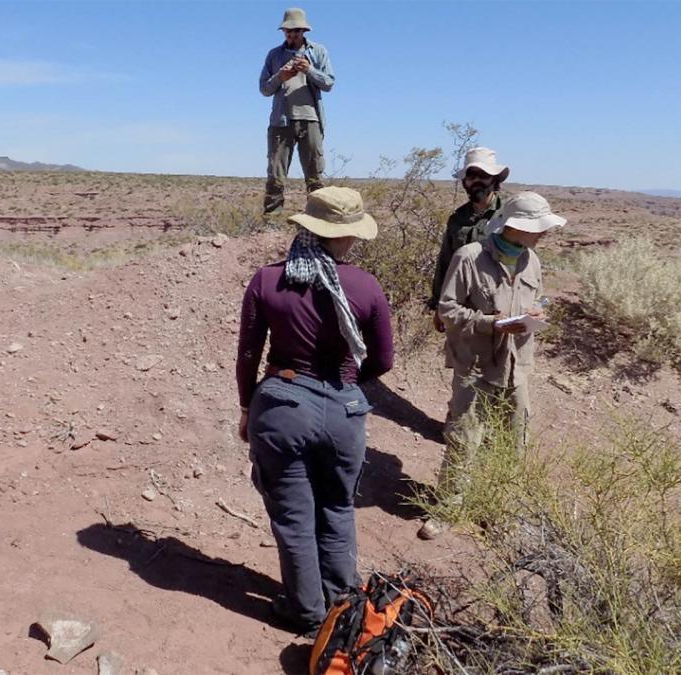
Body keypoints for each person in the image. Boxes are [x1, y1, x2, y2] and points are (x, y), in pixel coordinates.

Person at [236, 186, 393, 635]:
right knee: (338, 508)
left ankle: (305, 612)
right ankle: (343, 607)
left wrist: (248, 406)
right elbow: (382, 360)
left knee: (293, 517)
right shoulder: (366, 286)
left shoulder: (269, 279)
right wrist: (342, 385)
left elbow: (249, 354)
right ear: (349, 236)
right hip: (343, 410)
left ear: (308, 228)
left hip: (282, 407)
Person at [434, 191, 565, 504]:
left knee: (513, 439)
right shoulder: (469, 256)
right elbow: (447, 309)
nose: (545, 233)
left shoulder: (531, 259)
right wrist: (491, 323)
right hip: (476, 364)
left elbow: (542, 298)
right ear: (515, 225)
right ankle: (448, 507)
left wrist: (540, 309)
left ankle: (496, 505)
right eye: (538, 227)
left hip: (517, 366)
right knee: (465, 436)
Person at [258, 7, 335, 216]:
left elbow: (329, 83)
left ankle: (318, 221)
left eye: (295, 32)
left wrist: (308, 70)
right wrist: (280, 77)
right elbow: (264, 89)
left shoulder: (318, 52)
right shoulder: (274, 55)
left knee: (315, 175)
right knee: (275, 174)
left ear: (303, 31)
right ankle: (272, 221)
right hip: (280, 122)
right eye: (287, 32)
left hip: (310, 120)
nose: (291, 35)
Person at [429, 147, 511, 332]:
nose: (476, 181)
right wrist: (439, 306)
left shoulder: (508, 216)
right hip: (462, 310)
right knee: (460, 359)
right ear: (465, 181)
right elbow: (445, 263)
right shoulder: (457, 219)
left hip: (499, 308)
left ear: (494, 179)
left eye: (483, 175)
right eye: (471, 176)